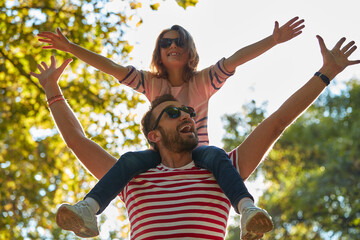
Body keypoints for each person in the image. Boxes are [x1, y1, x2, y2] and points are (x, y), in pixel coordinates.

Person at [30, 35, 360, 239]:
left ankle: (246, 210)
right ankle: (89, 210)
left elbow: (277, 123)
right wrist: (51, 89)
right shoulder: (131, 177)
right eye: (173, 113)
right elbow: (77, 141)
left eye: (188, 112)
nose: (187, 115)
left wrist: (326, 74)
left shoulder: (223, 169)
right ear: (154, 135)